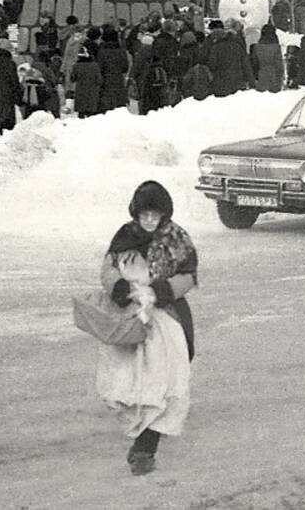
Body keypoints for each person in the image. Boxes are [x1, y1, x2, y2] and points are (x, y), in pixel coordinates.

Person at [96, 181, 197, 477]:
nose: (150, 221)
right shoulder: (125, 236)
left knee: (168, 382)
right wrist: (122, 288)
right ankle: (139, 429)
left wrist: (160, 292)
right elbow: (108, 270)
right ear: (136, 214)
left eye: (155, 215)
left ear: (164, 215)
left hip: (166, 314)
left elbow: (188, 277)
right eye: (145, 215)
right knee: (130, 382)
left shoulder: (177, 239)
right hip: (129, 315)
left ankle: (145, 447)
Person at [249, 24, 283, 92]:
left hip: (261, 78)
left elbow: (254, 65)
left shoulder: (257, 47)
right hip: (274, 79)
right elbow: (279, 66)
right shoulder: (276, 47)